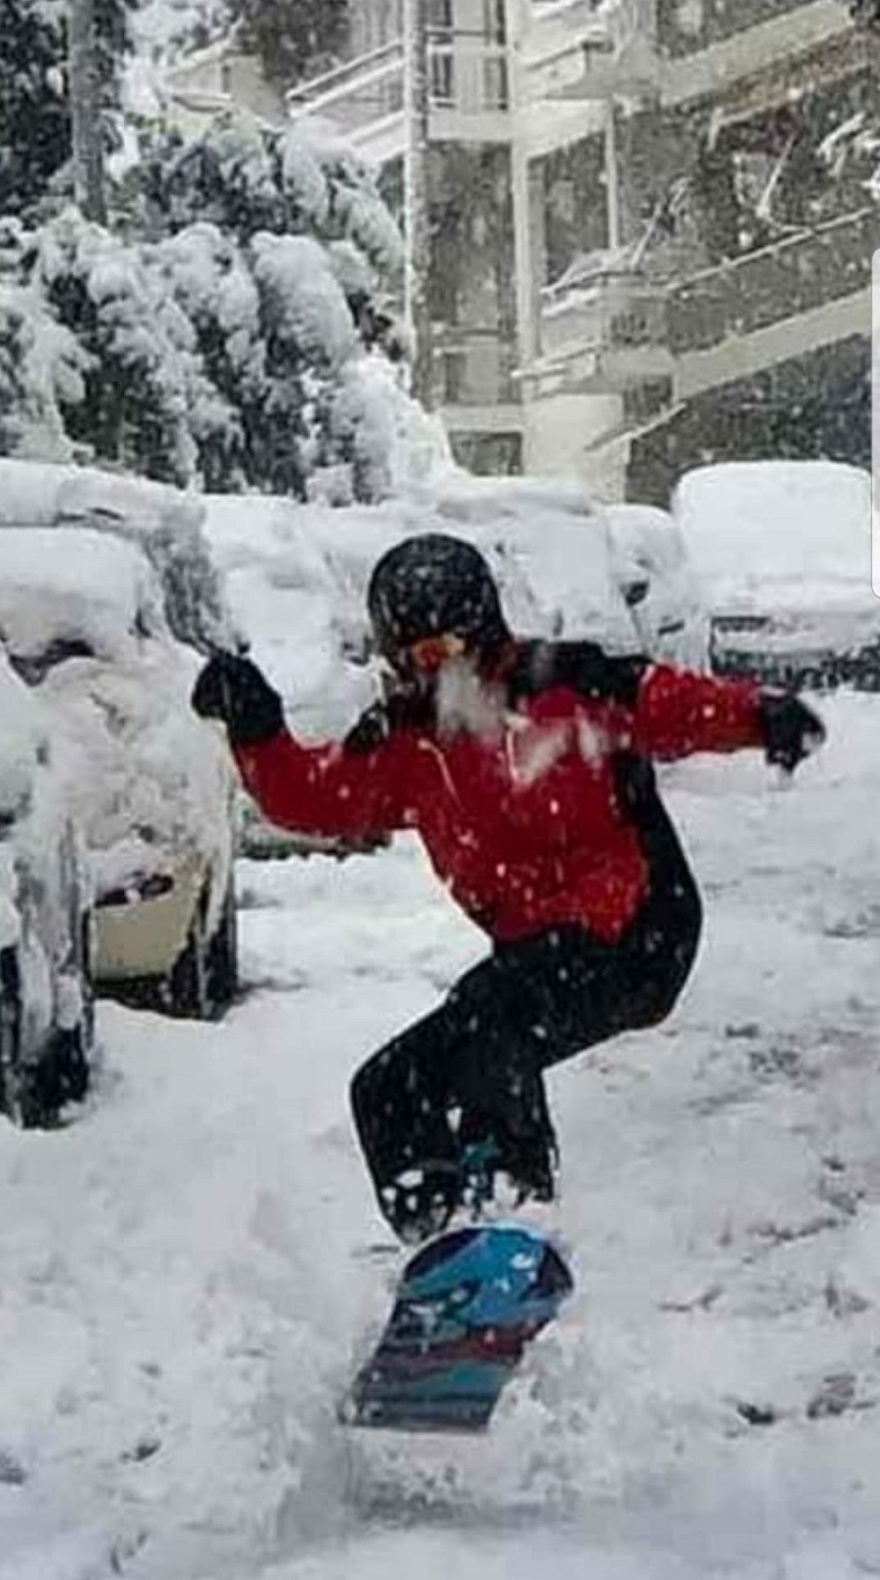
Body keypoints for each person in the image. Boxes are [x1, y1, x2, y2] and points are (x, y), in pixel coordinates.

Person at [191, 533, 826, 1244]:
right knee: (388, 1088)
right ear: (397, 656)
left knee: (489, 1025)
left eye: (458, 647)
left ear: (489, 632)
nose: (444, 670)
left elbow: (669, 702)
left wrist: (761, 716)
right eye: (424, 656)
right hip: (537, 952)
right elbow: (316, 798)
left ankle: (516, 1222)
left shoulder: (570, 685)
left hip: (637, 929)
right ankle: (444, 1244)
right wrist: (256, 726)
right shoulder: (406, 740)